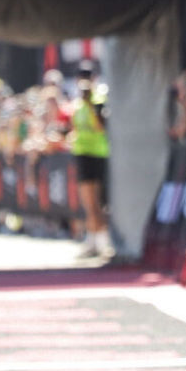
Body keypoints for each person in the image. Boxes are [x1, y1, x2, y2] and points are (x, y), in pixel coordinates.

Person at [68, 61, 112, 258]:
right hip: (82, 153)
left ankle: (103, 240)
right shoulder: (77, 104)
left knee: (98, 202)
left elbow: (101, 126)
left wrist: (90, 105)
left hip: (98, 154)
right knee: (88, 202)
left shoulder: (98, 99)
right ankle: (92, 239)